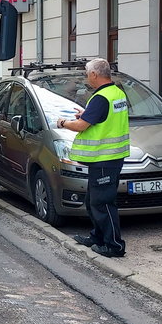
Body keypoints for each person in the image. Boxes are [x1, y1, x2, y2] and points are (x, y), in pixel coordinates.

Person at [56, 58, 129, 258]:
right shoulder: (116, 93)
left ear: (95, 75)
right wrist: (86, 114)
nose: (87, 77)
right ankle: (97, 237)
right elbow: (105, 119)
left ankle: (114, 246)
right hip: (111, 157)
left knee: (102, 202)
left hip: (104, 158)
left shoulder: (101, 97)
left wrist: (63, 122)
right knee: (92, 200)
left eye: (88, 73)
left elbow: (81, 127)